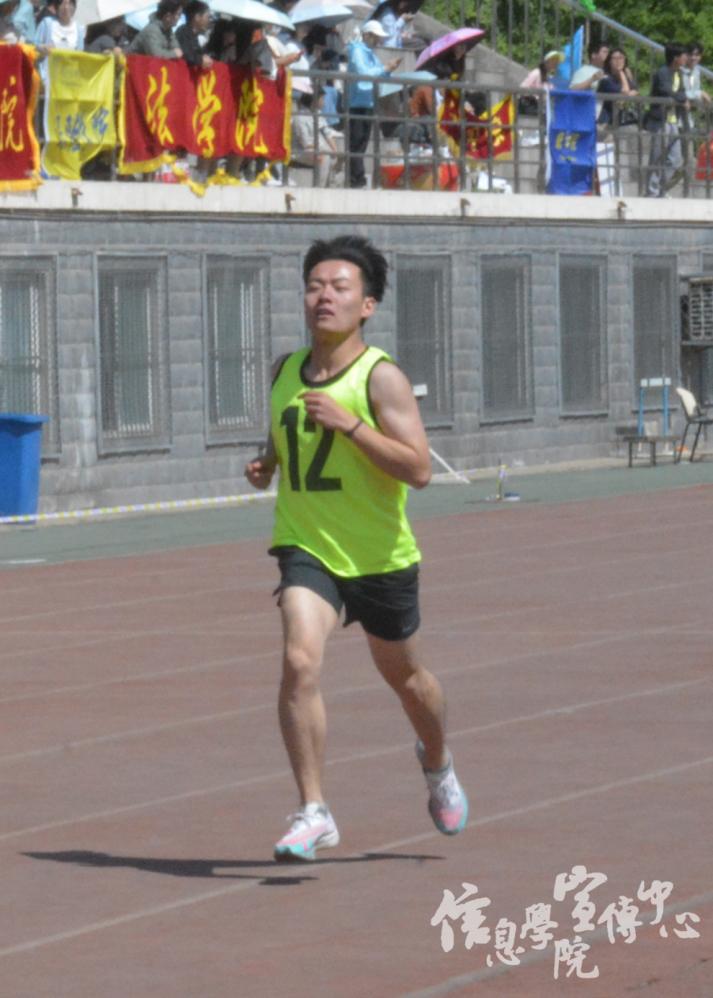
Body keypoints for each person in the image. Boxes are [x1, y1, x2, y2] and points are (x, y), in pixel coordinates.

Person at [245, 235, 468, 862]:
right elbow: (285, 437)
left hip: (379, 557)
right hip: (306, 546)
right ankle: (313, 811)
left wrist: (351, 425)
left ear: (366, 305)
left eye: (339, 287)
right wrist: (266, 464)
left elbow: (418, 470)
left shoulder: (381, 378)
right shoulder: (284, 370)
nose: (324, 296)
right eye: (315, 285)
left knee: (409, 681)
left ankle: (437, 761)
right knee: (299, 661)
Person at [346, 20, 401, 188]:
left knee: (362, 143)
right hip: (356, 102)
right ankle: (356, 179)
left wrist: (388, 70)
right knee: (356, 143)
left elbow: (379, 73)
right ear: (367, 35)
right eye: (376, 37)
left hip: (368, 102)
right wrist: (385, 69)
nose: (378, 40)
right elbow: (363, 72)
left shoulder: (369, 53)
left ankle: (357, 179)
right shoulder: (357, 51)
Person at [646, 43, 689, 197]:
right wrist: (682, 99)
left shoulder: (679, 73)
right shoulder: (663, 72)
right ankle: (652, 191)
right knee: (657, 157)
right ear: (675, 57)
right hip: (660, 120)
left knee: (675, 158)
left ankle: (661, 188)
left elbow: (681, 91)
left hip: (673, 120)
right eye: (684, 55)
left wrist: (682, 98)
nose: (686, 58)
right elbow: (665, 90)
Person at [597, 48, 638, 126]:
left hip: (617, 119)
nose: (618, 61)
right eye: (614, 58)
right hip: (604, 121)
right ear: (609, 62)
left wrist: (625, 99)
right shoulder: (606, 79)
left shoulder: (622, 78)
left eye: (621, 58)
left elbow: (635, 90)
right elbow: (626, 91)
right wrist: (621, 72)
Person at [176, 0, 212, 69]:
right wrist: (201, 60)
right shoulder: (183, 32)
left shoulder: (194, 35)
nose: (208, 21)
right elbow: (186, 54)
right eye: (207, 17)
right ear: (197, 17)